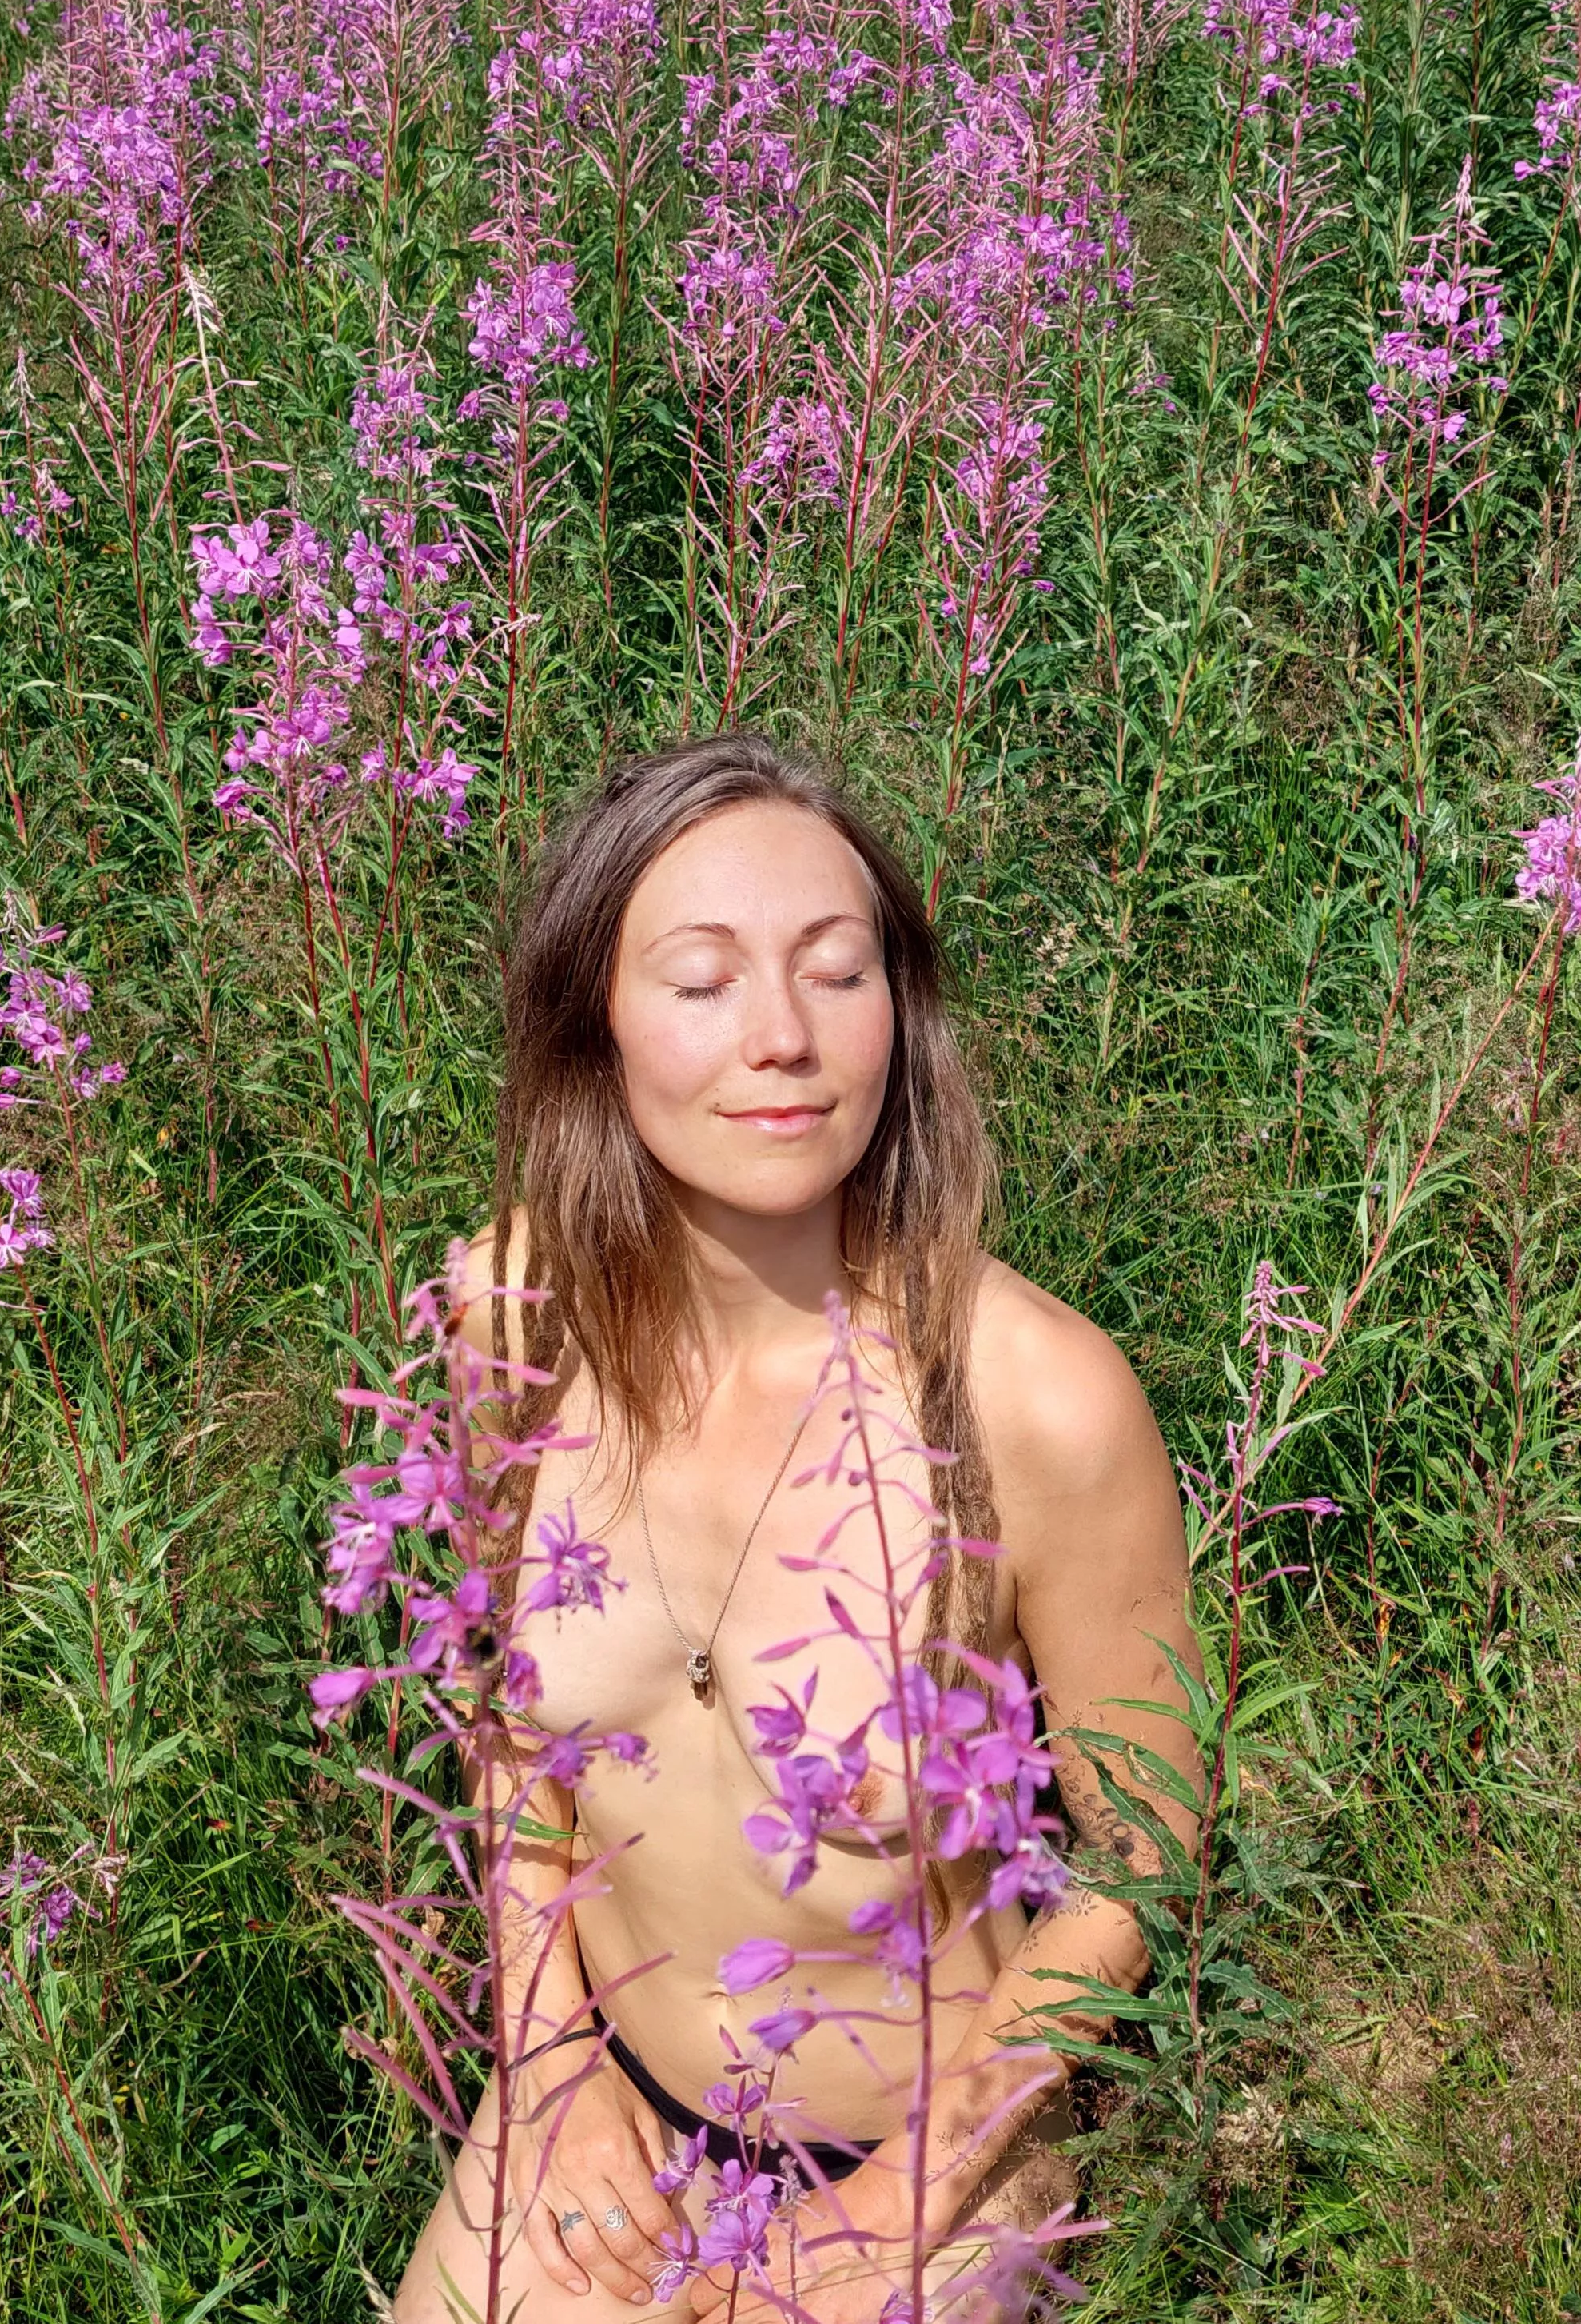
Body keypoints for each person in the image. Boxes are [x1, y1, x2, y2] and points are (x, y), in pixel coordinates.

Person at [394, 733, 1199, 2324]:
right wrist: (552, 2070)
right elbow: (508, 1725)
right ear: (593, 1024)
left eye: (837, 971)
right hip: (608, 2108)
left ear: (900, 1010)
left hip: (933, 2162)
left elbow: (1143, 1864)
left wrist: (895, 2207)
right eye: (702, 980)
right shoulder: (510, 1316)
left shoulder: (1037, 1401)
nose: (783, 1035)